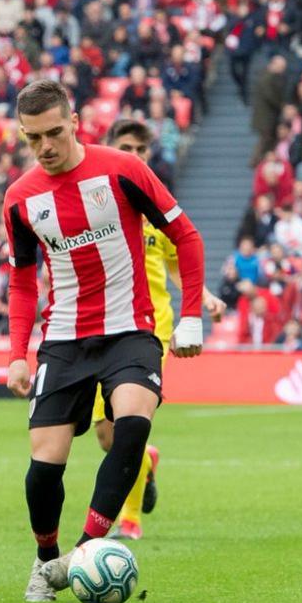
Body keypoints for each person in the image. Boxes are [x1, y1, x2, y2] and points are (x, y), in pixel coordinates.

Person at [2, 81, 206, 603]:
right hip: (64, 340)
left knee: (132, 425)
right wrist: (16, 354)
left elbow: (186, 235)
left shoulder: (122, 169)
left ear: (75, 122)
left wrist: (191, 317)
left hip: (129, 330)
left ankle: (84, 552)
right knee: (44, 467)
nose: (45, 146)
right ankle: (46, 559)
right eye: (33, 139)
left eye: (53, 133)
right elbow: (24, 279)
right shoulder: (21, 198)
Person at [90, 119, 227, 540]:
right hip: (100, 326)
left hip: (149, 329)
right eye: (125, 146)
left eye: (141, 149)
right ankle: (146, 461)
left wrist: (202, 297)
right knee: (106, 438)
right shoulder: (96, 206)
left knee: (127, 422)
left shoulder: (157, 206)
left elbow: (177, 262)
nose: (134, 154)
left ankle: (128, 519)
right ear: (110, 149)